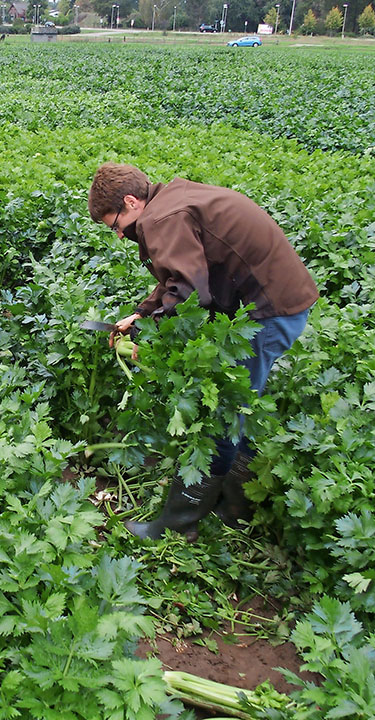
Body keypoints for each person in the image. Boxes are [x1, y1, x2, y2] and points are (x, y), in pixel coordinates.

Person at [88, 163, 317, 541]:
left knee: (226, 411)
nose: (119, 235)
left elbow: (190, 293)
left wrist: (148, 335)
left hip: (268, 313)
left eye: (115, 225)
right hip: (275, 304)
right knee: (240, 405)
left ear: (131, 201)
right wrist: (144, 312)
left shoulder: (162, 218)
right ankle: (234, 506)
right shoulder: (172, 200)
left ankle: (179, 525)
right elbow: (182, 277)